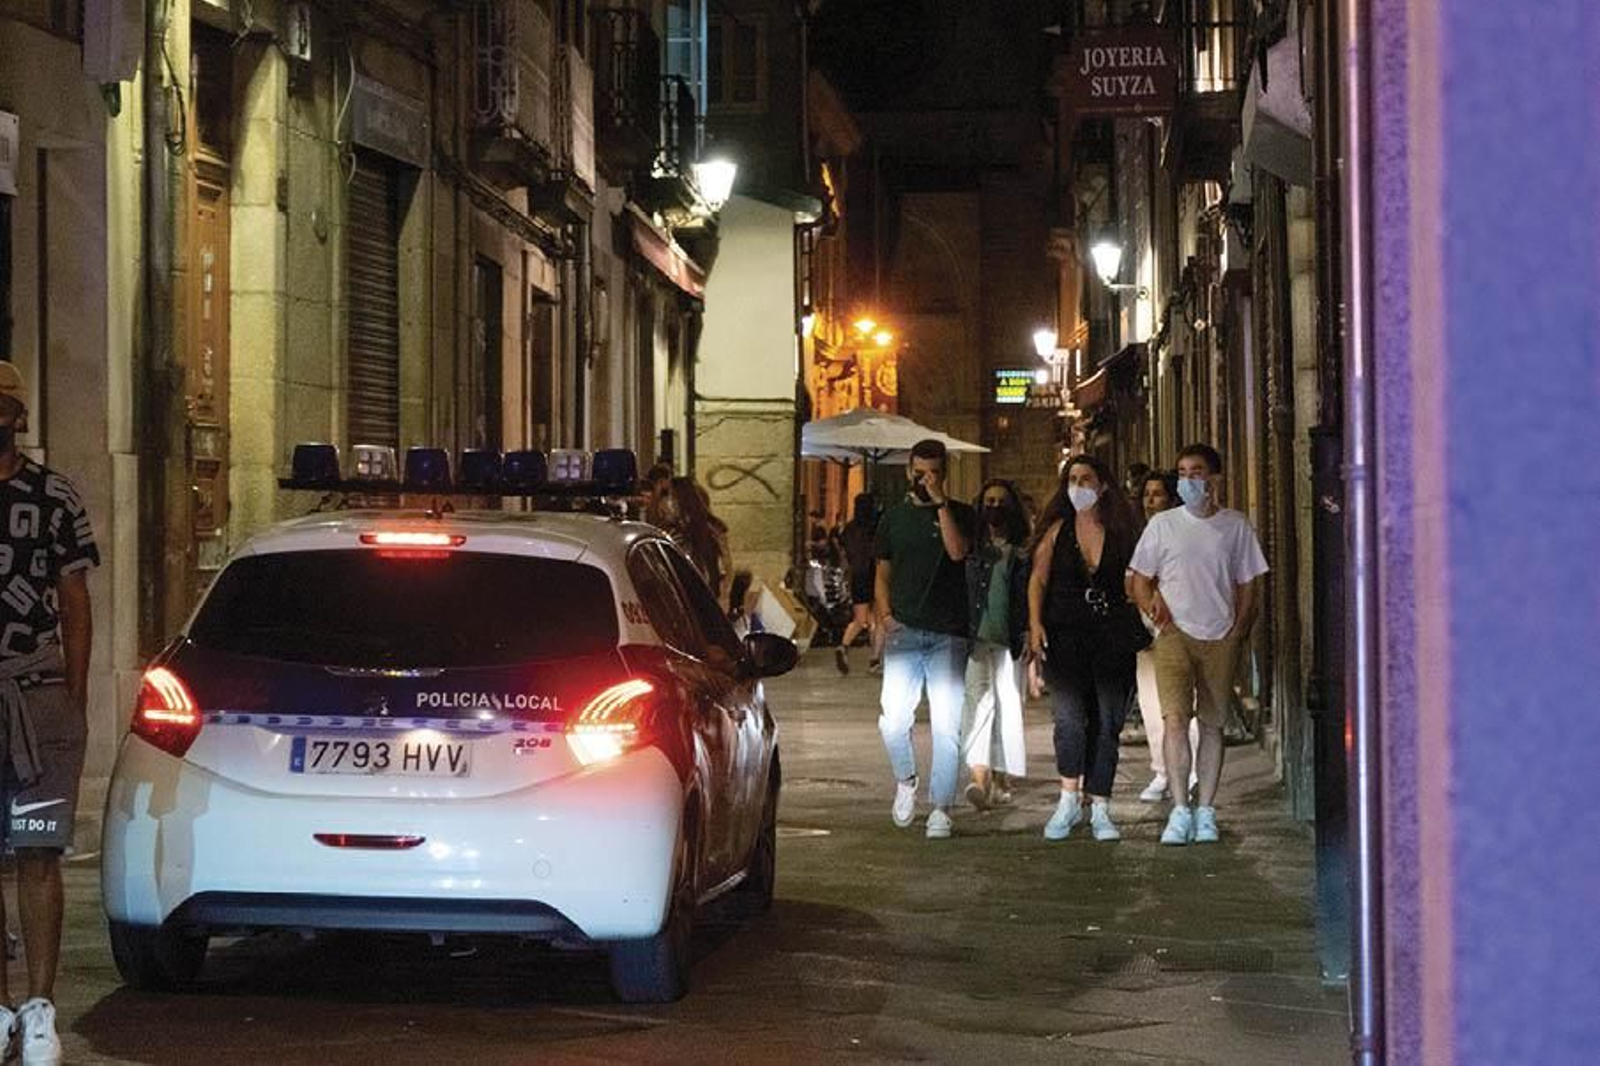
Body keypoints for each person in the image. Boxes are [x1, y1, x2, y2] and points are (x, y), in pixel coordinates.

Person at [0, 361, 97, 1064]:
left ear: (18, 417)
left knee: (36, 850)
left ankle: (38, 1008)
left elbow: (75, 601)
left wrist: (75, 697)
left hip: (36, 700)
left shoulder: (55, 497)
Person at [1130, 443, 1269, 846]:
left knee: (1212, 724)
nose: (1189, 479)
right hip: (1174, 636)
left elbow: (1248, 584)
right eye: (1183, 472)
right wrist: (1152, 607)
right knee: (1175, 719)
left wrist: (1239, 629)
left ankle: (1205, 809)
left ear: (1214, 478)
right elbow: (1138, 578)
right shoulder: (1163, 526)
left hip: (1219, 636)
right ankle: (1178, 808)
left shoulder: (1236, 526)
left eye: (1196, 471)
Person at [1028, 455, 1147, 842]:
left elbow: (1140, 577)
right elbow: (1038, 581)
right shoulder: (1057, 532)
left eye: (1086, 479)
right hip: (1065, 635)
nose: (1078, 486)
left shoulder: (1124, 533)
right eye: (1072, 480)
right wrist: (1035, 624)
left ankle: (1100, 806)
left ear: (1104, 486)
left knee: (1108, 720)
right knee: (1068, 718)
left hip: (1112, 635)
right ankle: (1067, 798)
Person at [875, 439, 974, 840]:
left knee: (947, 725)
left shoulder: (961, 514)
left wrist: (941, 505)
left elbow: (957, 552)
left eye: (933, 473)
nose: (925, 479)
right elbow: (881, 573)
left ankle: (942, 808)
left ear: (944, 474)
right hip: (905, 631)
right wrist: (884, 616)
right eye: (919, 473)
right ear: (908, 471)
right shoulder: (893, 519)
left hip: (948, 633)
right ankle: (906, 778)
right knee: (893, 720)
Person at [960, 480, 1031, 811]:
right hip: (977, 637)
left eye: (1001, 501)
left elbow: (1031, 596)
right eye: (988, 500)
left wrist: (1032, 631)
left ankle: (1002, 777)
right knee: (976, 704)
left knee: (1008, 706)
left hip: (1010, 638)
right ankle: (979, 778)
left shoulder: (1022, 552)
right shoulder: (972, 549)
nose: (994, 506)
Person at [1134, 471, 1199, 803]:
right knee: (1151, 704)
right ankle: (1162, 771)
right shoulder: (1139, 533)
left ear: (1172, 499)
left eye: (1157, 494)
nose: (1150, 500)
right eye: (1147, 493)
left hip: (1184, 628)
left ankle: (1190, 772)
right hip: (1147, 632)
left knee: (1183, 707)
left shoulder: (1184, 532)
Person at [663, 476, 733, 604]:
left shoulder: (711, 528)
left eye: (671, 496)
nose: (668, 501)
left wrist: (723, 598)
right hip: (687, 600)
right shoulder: (673, 532)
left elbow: (726, 567)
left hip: (702, 600)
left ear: (680, 500)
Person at [836, 494, 880, 676]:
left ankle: (843, 646)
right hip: (875, 575)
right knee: (878, 620)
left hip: (858, 577)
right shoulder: (875, 527)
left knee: (861, 620)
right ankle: (875, 659)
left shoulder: (849, 529)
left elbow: (843, 552)